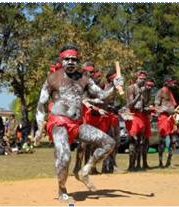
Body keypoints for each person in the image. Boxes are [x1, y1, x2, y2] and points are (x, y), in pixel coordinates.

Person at [34, 44, 123, 202]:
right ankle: (62, 190)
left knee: (109, 143)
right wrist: (40, 126)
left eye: (74, 59)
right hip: (58, 123)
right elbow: (41, 104)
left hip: (78, 124)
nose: (70, 62)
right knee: (64, 155)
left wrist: (115, 87)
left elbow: (102, 95)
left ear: (78, 61)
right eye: (66, 59)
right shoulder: (52, 78)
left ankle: (85, 170)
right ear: (61, 60)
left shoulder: (84, 78)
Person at [125, 70, 148, 171]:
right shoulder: (131, 88)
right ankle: (131, 165)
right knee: (132, 141)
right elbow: (130, 104)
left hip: (141, 116)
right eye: (140, 78)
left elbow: (145, 103)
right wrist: (139, 94)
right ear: (136, 78)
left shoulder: (144, 89)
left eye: (144, 79)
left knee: (140, 141)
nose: (142, 80)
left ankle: (138, 164)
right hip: (133, 115)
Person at [155, 75, 178, 168]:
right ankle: (160, 162)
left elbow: (173, 105)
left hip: (171, 118)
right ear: (166, 82)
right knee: (162, 141)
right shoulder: (161, 91)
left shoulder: (170, 92)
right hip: (163, 118)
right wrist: (166, 110)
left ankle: (169, 161)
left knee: (173, 140)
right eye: (171, 81)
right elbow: (156, 106)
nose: (173, 83)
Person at [139, 79, 155, 169]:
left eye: (151, 86)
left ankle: (144, 163)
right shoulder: (140, 92)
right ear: (145, 84)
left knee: (146, 142)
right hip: (139, 117)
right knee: (139, 141)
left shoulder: (150, 94)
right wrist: (149, 108)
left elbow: (149, 106)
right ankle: (137, 163)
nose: (149, 87)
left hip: (146, 118)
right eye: (148, 85)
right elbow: (139, 107)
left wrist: (151, 110)